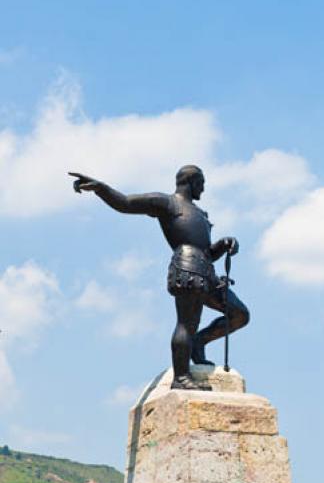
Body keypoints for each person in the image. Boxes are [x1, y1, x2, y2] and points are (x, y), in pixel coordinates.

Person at [69, 165, 249, 390]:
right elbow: (125, 203)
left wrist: (223, 245)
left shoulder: (200, 213)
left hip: (206, 271)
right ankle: (181, 377)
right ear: (191, 181)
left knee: (239, 315)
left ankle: (198, 343)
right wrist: (100, 188)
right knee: (186, 324)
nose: (203, 188)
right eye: (201, 183)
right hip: (187, 269)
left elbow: (207, 253)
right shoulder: (168, 203)